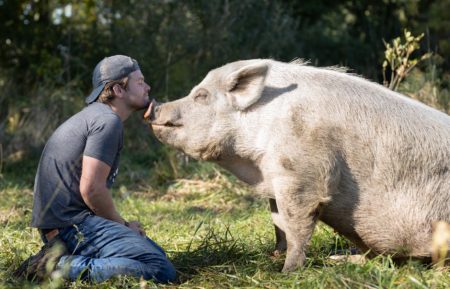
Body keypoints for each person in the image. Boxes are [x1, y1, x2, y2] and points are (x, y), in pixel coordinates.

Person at [14, 55, 176, 283]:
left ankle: (62, 259)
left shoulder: (95, 117)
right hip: (71, 228)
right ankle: (56, 267)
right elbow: (91, 189)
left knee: (157, 256)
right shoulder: (108, 122)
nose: (147, 87)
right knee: (160, 269)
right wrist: (125, 226)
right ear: (119, 90)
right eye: (140, 82)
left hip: (65, 226)